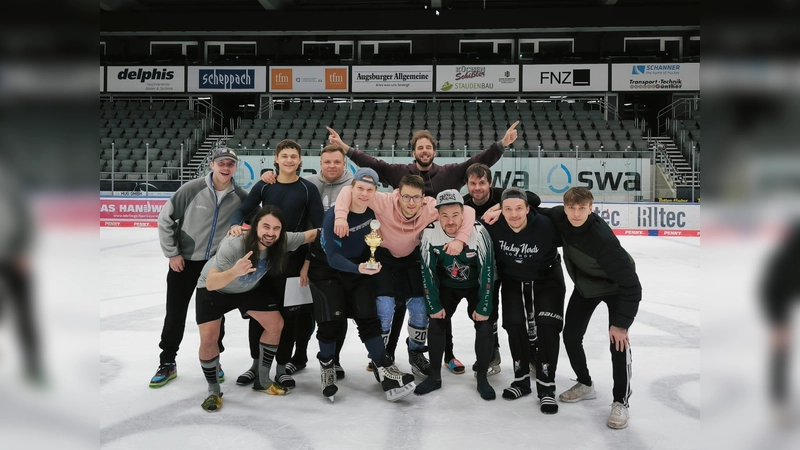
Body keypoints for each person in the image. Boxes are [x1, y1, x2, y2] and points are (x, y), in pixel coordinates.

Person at [326, 123, 518, 372]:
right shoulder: (396, 179)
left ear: (434, 151)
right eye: (420, 147)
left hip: (425, 253)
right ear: (413, 152)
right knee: (387, 306)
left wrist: (500, 145)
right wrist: (345, 151)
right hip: (387, 253)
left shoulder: (445, 180)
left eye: (428, 147)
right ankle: (382, 355)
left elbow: (475, 167)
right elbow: (371, 167)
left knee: (424, 307)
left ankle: (426, 353)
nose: (424, 150)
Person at [333, 175, 475, 378]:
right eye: (406, 197)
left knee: (420, 308)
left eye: (416, 198)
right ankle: (379, 357)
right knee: (384, 307)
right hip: (383, 257)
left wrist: (461, 240)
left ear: (424, 198)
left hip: (411, 259)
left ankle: (416, 353)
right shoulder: (384, 201)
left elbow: (468, 210)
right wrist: (340, 216)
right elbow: (348, 190)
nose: (411, 203)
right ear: (398, 194)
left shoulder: (430, 207)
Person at [307, 168, 416, 402]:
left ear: (375, 192)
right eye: (360, 189)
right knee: (330, 323)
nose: (364, 194)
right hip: (327, 270)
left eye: (370, 190)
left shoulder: (374, 211)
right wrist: (358, 268)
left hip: (358, 268)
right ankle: (327, 367)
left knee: (368, 318)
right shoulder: (335, 216)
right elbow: (334, 257)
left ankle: (384, 367)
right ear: (352, 189)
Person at [195, 206, 317, 412]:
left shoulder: (282, 241)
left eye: (276, 228)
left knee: (276, 324)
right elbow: (211, 283)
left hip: (248, 289)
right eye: (266, 226)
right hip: (216, 289)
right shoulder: (234, 244)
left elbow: (312, 234)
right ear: (255, 227)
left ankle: (262, 380)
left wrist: (340, 220)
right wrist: (234, 271)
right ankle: (213, 390)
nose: (271, 232)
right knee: (208, 339)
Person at [539, 187, 641, 428]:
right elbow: (536, 210)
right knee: (571, 335)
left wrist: (621, 324)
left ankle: (621, 402)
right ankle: (585, 383)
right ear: (564, 208)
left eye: (582, 208)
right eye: (571, 208)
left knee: (618, 342)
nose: (576, 213)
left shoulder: (602, 240)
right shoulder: (560, 217)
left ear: (591, 208)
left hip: (616, 287)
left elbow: (632, 285)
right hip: (587, 285)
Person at [229, 139, 323, 389]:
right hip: (261, 261)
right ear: (276, 159)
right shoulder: (264, 185)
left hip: (292, 263)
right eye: (285, 156)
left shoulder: (307, 189)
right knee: (257, 314)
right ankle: (255, 366)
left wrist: (306, 263)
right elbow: (242, 211)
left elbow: (318, 229)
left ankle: (281, 368)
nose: (290, 160)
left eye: (294, 156)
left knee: (288, 317)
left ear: (300, 161)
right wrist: (235, 226)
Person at [150, 147, 247, 388]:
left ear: (235, 167)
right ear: (212, 164)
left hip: (216, 266)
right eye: (221, 163)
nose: (226, 168)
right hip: (184, 263)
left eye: (230, 164)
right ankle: (167, 361)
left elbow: (253, 224)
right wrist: (172, 254)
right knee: (175, 313)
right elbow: (165, 220)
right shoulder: (191, 189)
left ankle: (214, 359)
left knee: (215, 316)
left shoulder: (241, 197)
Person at [261, 143, 354, 379]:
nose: (332, 166)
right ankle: (298, 357)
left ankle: (335, 360)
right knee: (301, 311)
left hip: (341, 259)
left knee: (335, 312)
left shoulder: (354, 188)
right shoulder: (309, 185)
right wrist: (267, 175)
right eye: (327, 162)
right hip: (309, 257)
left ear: (344, 164)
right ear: (319, 163)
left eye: (337, 162)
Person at [481, 187, 565, 414]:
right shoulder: (492, 225)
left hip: (547, 279)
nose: (514, 214)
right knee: (514, 326)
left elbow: (579, 232)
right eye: (508, 209)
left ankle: (547, 388)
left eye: (519, 208)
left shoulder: (547, 225)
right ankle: (521, 381)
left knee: (547, 329)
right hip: (513, 280)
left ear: (529, 209)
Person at [460, 163, 543, 377]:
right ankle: (491, 352)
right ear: (467, 184)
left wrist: (499, 207)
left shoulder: (501, 196)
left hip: (511, 263)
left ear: (490, 183)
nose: (477, 188)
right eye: (473, 183)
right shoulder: (463, 204)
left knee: (524, 313)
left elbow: (534, 199)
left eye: (482, 183)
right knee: (488, 310)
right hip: (483, 267)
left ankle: (532, 352)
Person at [416, 189, 497, 400]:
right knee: (435, 323)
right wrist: (433, 304)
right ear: (438, 215)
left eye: (455, 215)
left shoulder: (479, 233)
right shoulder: (429, 233)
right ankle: (434, 376)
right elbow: (427, 271)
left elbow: (488, 271)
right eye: (445, 215)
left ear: (464, 214)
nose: (450, 221)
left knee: (485, 324)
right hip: (447, 286)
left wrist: (484, 306)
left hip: (475, 286)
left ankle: (482, 377)